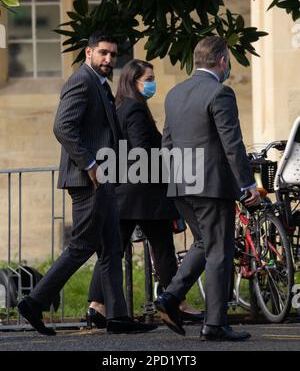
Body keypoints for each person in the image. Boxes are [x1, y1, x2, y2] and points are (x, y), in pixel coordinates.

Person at [17, 31, 157, 336]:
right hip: (89, 179)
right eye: (103, 53)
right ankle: (34, 301)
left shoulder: (98, 82)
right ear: (88, 52)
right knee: (82, 245)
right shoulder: (81, 80)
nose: (109, 59)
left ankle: (118, 317)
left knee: (112, 249)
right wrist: (91, 164)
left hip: (102, 179)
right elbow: (62, 127)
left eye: (113, 55)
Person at [155, 36, 260, 341]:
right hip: (212, 185)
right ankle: (214, 324)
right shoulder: (220, 93)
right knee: (218, 251)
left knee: (203, 243)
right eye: (228, 60)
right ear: (222, 61)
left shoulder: (174, 94)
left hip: (182, 183)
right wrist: (247, 184)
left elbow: (167, 143)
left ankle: (170, 297)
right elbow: (232, 144)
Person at [86, 59, 204, 328]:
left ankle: (97, 304)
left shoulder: (118, 107)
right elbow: (142, 150)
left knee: (112, 249)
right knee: (162, 248)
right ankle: (176, 302)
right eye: (148, 78)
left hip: (122, 191)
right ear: (133, 81)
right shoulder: (136, 109)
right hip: (145, 193)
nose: (152, 82)